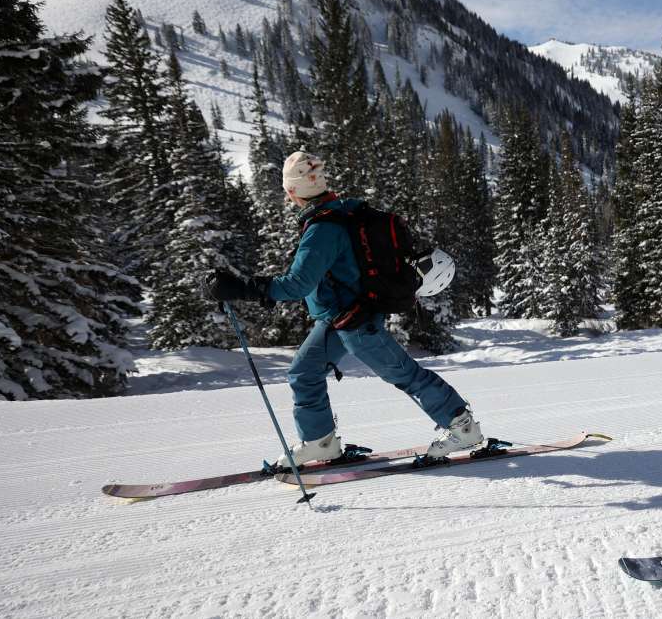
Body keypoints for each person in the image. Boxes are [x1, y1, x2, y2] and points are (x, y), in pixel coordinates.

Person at [207, 151, 483, 468]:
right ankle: (320, 442)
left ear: (291, 191)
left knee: (404, 374)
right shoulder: (341, 212)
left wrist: (243, 288)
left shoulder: (323, 229)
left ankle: (464, 428)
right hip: (336, 319)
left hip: (356, 320)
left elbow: (297, 284)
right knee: (304, 373)